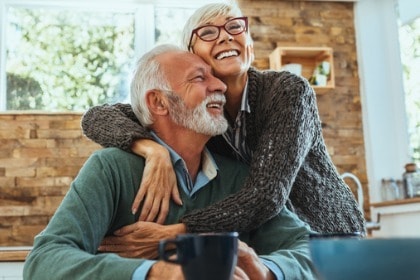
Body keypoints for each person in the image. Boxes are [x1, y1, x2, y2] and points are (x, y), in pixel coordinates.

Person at [23, 44, 317, 280]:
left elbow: (309, 250)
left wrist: (265, 268)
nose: (220, 86)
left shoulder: (239, 177)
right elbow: (43, 262)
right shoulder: (110, 169)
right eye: (200, 77)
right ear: (159, 103)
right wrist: (156, 272)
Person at [81, 2, 365, 235]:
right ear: (192, 55)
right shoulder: (195, 112)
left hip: (329, 235)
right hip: (271, 241)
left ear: (249, 44)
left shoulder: (288, 91)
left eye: (234, 26)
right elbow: (97, 117)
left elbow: (266, 195)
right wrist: (152, 150)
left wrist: (178, 231)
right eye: (207, 32)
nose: (226, 36)